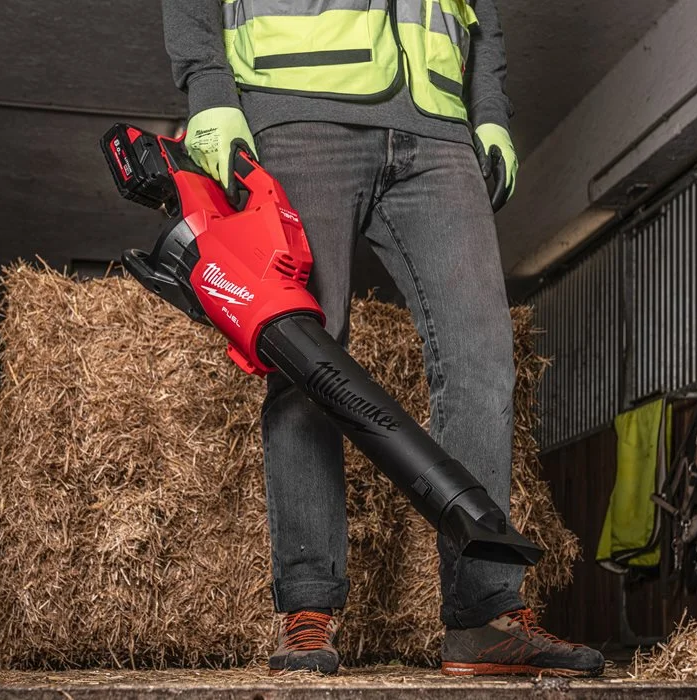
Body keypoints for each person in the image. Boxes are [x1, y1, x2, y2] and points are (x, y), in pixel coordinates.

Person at [161, 0, 604, 678]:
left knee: (482, 358)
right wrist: (209, 89)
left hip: (438, 127)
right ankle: (307, 610)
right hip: (299, 106)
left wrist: (488, 110)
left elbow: (479, 12)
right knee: (306, 358)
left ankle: (483, 616)